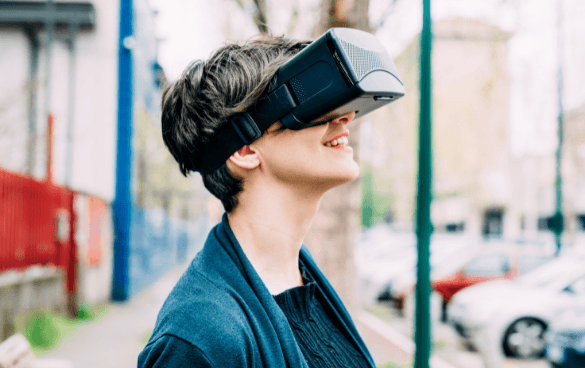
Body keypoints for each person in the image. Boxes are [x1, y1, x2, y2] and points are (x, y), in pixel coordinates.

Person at [138, 34, 375, 368]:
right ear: (245, 149)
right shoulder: (199, 337)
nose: (345, 117)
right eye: (310, 102)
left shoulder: (305, 282)